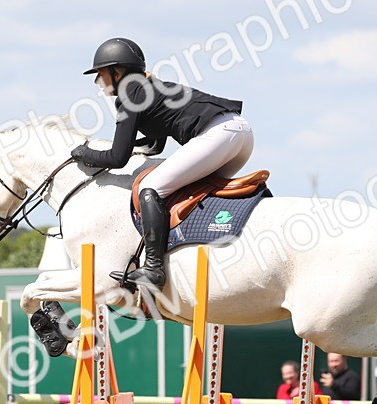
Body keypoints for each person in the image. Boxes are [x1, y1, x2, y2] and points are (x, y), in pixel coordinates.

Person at [71, 37, 253, 290]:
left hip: (218, 134)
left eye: (100, 73)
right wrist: (130, 148)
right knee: (192, 192)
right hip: (240, 134)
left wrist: (84, 153)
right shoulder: (149, 87)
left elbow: (117, 157)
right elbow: (155, 145)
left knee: (151, 188)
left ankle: (154, 268)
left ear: (117, 71)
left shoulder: (129, 94)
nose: (96, 81)